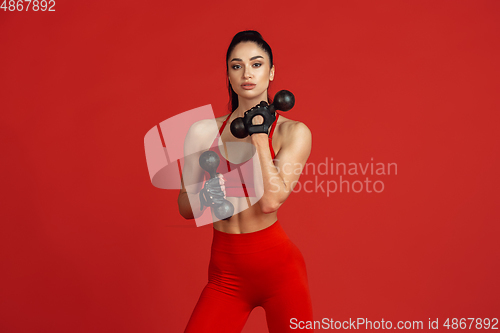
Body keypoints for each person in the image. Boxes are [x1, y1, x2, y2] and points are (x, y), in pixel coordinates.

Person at [178, 30, 314, 332]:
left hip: (279, 271)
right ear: (228, 74)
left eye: (256, 64)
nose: (246, 73)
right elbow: (185, 208)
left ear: (271, 71)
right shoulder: (202, 132)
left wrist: (259, 136)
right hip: (225, 274)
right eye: (237, 66)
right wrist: (203, 196)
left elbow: (270, 202)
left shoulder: (293, 132)